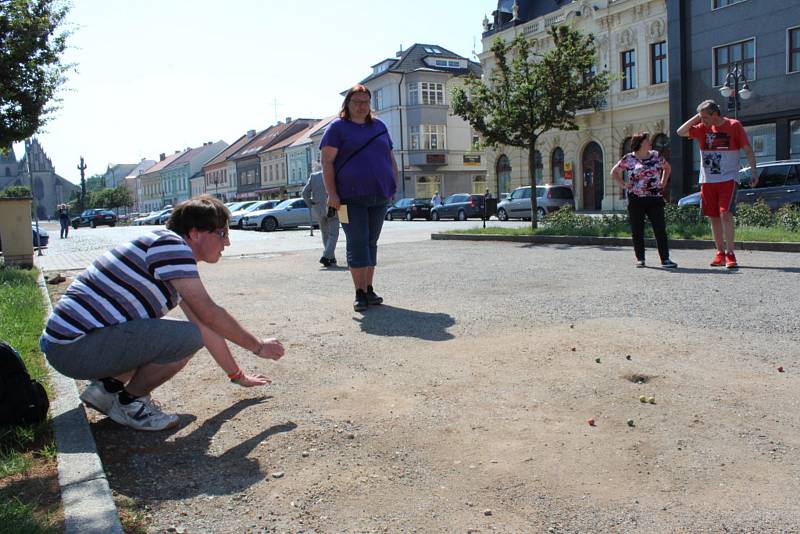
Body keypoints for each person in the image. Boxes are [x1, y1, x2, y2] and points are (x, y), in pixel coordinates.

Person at [39, 195, 285, 431]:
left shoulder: (166, 249)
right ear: (195, 233)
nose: (227, 242)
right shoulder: (172, 246)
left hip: (70, 346)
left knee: (180, 334)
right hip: (74, 348)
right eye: (221, 233)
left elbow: (206, 326)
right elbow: (209, 315)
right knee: (184, 338)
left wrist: (238, 376)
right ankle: (130, 404)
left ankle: (106, 388)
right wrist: (258, 346)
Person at [320, 84, 398, 312]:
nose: (362, 106)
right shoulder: (337, 128)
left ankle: (369, 288)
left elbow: (390, 157)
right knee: (357, 243)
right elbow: (327, 163)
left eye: (366, 102)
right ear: (347, 104)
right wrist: (332, 194)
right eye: (357, 102)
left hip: (379, 195)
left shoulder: (379, 126)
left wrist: (393, 182)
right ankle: (359, 292)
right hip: (349, 198)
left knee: (371, 242)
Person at [677, 99, 757, 268]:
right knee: (713, 217)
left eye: (705, 117)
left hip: (728, 179)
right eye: (701, 118)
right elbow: (680, 131)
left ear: (715, 114)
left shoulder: (734, 125)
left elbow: (748, 150)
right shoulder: (702, 129)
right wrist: (698, 117)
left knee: (725, 214)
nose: (702, 121)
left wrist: (754, 172)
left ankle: (730, 253)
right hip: (707, 180)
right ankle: (719, 252)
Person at [611, 132, 677, 269]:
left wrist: (663, 182)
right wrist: (624, 185)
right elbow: (614, 172)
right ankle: (640, 259)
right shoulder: (628, 158)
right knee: (637, 229)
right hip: (636, 199)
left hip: (655, 197)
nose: (650, 142)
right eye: (647, 140)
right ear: (640, 143)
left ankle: (665, 259)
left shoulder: (656, 156)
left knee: (660, 229)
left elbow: (667, 168)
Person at [302, 162, 339, 267]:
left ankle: (331, 258)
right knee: (334, 234)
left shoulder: (314, 177)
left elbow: (304, 193)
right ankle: (326, 256)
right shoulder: (335, 174)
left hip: (318, 209)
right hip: (332, 207)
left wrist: (311, 204)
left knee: (325, 234)